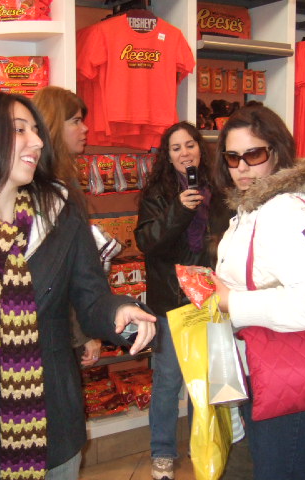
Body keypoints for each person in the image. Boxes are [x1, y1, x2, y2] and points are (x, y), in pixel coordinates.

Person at [0, 92, 156, 480]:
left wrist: (119, 310)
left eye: (36, 130)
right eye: (19, 130)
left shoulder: (61, 211)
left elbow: (91, 297)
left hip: (53, 416)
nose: (38, 141)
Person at [210, 103, 305, 480]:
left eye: (253, 154)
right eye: (232, 157)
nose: (242, 167)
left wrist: (232, 302)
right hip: (274, 367)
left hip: (289, 373)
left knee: (282, 469)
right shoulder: (257, 206)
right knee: (296, 466)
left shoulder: (282, 211)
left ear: (277, 152)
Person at [134, 121, 232, 480]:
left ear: (200, 149)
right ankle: (162, 451)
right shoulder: (157, 194)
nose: (185, 153)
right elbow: (148, 242)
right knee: (168, 379)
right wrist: (178, 209)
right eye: (176, 148)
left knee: (202, 381)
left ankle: (198, 443)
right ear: (168, 155)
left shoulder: (218, 189)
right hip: (171, 303)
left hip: (209, 298)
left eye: (190, 145)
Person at [32, 85, 102, 368]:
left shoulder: (60, 181)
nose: (85, 129)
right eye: (75, 121)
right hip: (52, 333)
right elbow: (62, 271)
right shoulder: (51, 190)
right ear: (52, 124)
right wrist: (83, 332)